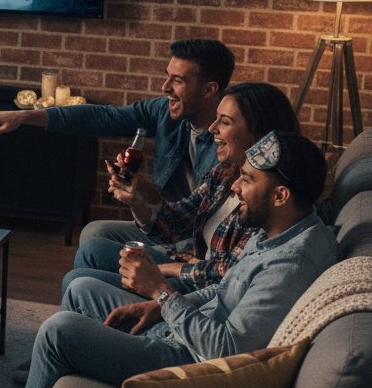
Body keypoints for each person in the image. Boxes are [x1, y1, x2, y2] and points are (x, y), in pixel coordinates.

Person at [21, 131, 339, 388]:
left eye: (248, 179)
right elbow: (228, 287)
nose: (236, 188)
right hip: (186, 329)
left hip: (188, 362)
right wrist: (160, 306)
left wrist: (162, 291)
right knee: (80, 290)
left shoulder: (290, 265)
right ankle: (51, 381)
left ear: (281, 196)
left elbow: (225, 350)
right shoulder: (279, 230)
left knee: (57, 332)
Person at [0, 37, 237, 245]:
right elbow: (104, 117)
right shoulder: (164, 112)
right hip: (160, 223)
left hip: (191, 239)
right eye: (167, 76)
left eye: (177, 80)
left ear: (209, 89)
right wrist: (25, 116)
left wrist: (144, 195)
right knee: (94, 233)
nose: (164, 87)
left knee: (90, 254)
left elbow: (202, 217)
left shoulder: (232, 141)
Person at [63, 82, 301, 297]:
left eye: (225, 122)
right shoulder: (225, 172)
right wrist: (137, 199)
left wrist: (167, 269)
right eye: (216, 119)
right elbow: (176, 224)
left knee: (77, 281)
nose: (212, 129)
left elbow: (230, 275)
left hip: (200, 288)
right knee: (92, 248)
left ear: (258, 133)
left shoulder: (266, 195)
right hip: (190, 266)